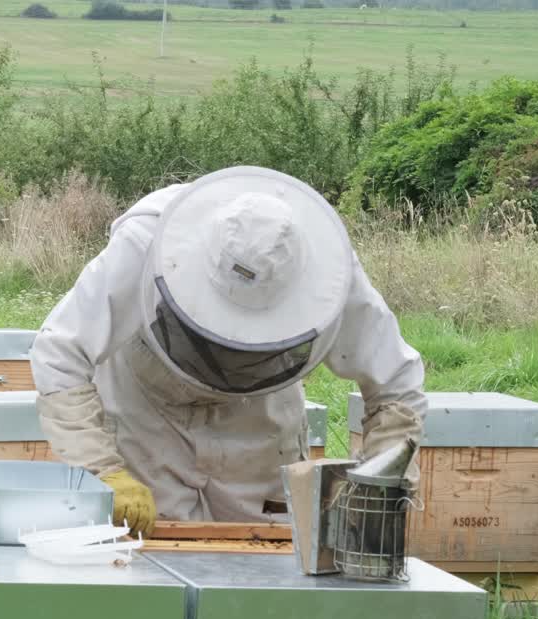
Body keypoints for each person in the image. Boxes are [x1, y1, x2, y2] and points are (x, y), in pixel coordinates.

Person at [29, 166, 425, 535]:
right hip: (147, 413)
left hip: (259, 421)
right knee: (151, 564)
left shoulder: (332, 273)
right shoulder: (144, 242)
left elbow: (397, 386)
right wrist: (102, 469)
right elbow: (59, 352)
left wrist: (379, 484)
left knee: (269, 562)